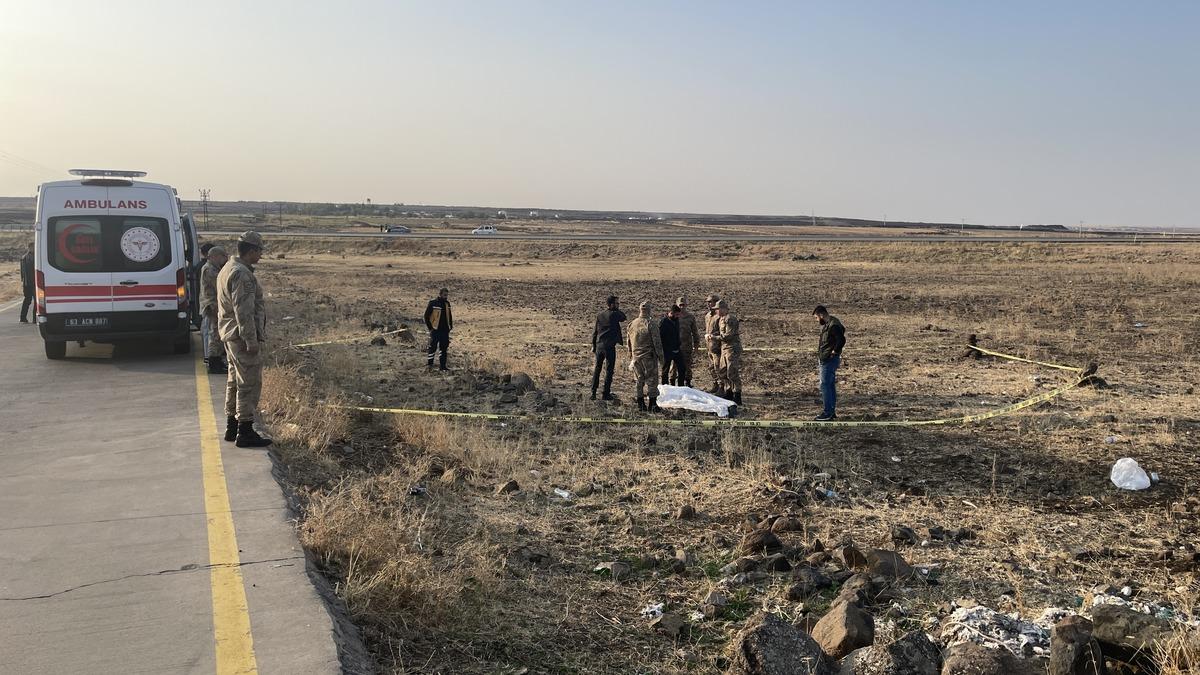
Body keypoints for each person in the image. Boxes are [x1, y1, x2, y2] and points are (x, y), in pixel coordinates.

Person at [217, 231, 272, 447]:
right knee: (248, 383)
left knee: (234, 381)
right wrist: (251, 340)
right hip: (241, 337)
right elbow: (244, 311)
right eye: (259, 251)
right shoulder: (242, 274)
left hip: (230, 334)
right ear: (251, 251)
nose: (261, 256)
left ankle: (232, 427)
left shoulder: (227, 268)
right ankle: (245, 431)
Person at [626, 301, 664, 412]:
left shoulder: (632, 324)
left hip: (636, 358)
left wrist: (631, 355)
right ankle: (652, 405)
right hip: (649, 358)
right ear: (649, 310)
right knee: (652, 381)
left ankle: (640, 404)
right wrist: (661, 358)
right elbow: (657, 343)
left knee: (639, 380)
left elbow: (628, 342)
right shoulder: (651, 324)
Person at [199, 246, 229, 373]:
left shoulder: (212, 268)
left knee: (217, 334)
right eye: (223, 257)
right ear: (216, 256)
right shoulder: (209, 269)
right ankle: (213, 362)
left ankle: (217, 360)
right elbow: (221, 285)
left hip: (215, 305)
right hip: (212, 305)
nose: (225, 260)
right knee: (215, 334)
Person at [813, 305, 845, 421]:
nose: (817, 320)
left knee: (825, 385)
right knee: (829, 385)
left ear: (821, 315)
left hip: (828, 360)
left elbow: (841, 339)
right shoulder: (831, 323)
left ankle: (827, 413)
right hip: (827, 358)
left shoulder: (833, 325)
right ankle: (831, 411)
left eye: (816, 317)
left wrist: (834, 351)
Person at [590, 295, 626, 400]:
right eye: (617, 303)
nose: (618, 305)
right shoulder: (614, 314)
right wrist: (616, 309)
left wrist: (594, 345)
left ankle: (593, 392)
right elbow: (623, 317)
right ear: (611, 304)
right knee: (609, 371)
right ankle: (606, 393)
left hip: (599, 345)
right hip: (609, 347)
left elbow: (595, 332)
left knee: (597, 369)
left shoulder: (600, 315)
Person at [715, 299, 743, 405]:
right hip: (724, 348)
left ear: (723, 309)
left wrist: (715, 337)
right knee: (723, 371)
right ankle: (729, 392)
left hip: (732, 348)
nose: (716, 311)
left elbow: (728, 335)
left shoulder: (730, 319)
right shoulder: (721, 319)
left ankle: (737, 394)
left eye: (717, 309)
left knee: (732, 372)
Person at [672, 296, 702, 387]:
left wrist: (696, 345)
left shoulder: (690, 317)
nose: (682, 307)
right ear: (677, 305)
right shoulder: (673, 316)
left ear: (686, 305)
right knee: (673, 366)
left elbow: (695, 332)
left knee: (687, 365)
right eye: (680, 305)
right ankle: (672, 383)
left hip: (686, 346)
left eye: (683, 305)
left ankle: (688, 382)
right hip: (674, 346)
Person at [424, 288, 453, 371]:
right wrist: (430, 328)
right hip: (435, 330)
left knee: (443, 349)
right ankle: (430, 365)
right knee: (432, 348)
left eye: (447, 295)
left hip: (445, 330)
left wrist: (450, 326)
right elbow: (426, 316)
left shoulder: (447, 304)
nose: (446, 297)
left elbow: (449, 316)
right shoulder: (433, 303)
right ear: (440, 294)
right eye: (444, 295)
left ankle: (443, 366)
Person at [703, 294, 723, 395]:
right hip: (709, 347)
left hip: (717, 347)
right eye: (708, 302)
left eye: (711, 302)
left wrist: (714, 336)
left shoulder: (719, 316)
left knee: (718, 367)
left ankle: (722, 387)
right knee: (711, 367)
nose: (709, 304)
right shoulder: (707, 316)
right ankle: (715, 384)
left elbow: (722, 332)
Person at [660, 305, 684, 386]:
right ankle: (665, 387)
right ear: (671, 313)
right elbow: (660, 336)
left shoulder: (676, 321)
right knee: (665, 370)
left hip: (677, 349)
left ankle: (681, 386)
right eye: (677, 314)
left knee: (682, 368)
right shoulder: (663, 322)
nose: (678, 316)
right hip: (667, 350)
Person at [19, 243, 34, 323]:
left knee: (28, 300)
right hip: (30, 282)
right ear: (29, 248)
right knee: (28, 300)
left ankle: (24, 317)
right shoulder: (27, 258)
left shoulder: (24, 257)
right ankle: (24, 317)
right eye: (33, 247)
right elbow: (25, 272)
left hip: (27, 282)